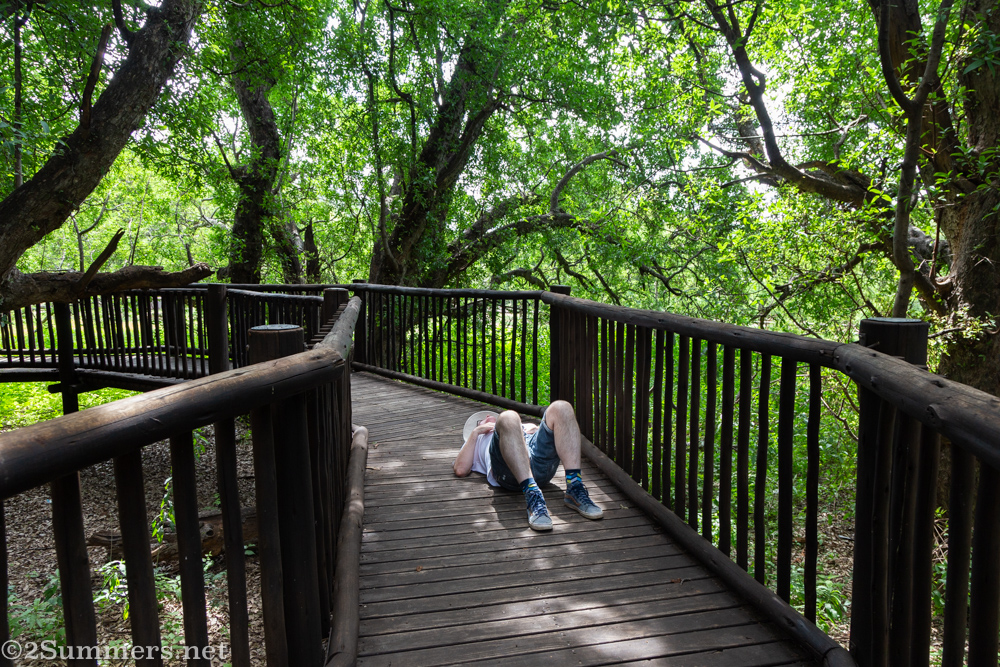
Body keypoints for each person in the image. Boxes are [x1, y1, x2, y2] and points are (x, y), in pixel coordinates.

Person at [453, 400, 603, 531]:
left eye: (488, 415)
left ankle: (574, 487)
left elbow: (555, 436)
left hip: (540, 464)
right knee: (508, 416)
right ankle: (532, 495)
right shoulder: (478, 440)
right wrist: (476, 432)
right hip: (510, 471)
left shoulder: (516, 425)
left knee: (562, 407)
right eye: (481, 420)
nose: (487, 417)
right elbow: (460, 469)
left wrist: (531, 430)